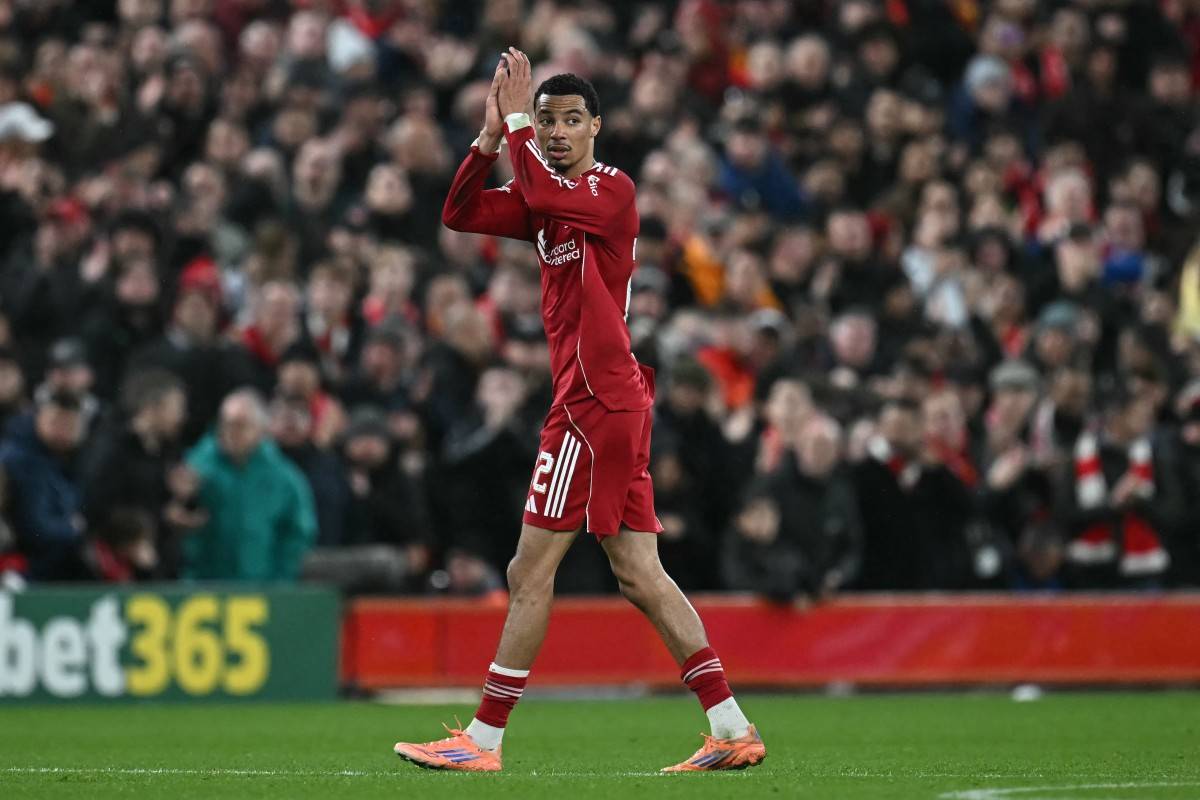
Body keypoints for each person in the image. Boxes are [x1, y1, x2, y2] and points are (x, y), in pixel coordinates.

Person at [394, 52, 765, 773]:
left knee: (528, 571)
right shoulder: (545, 199)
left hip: (591, 404)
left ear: (596, 126)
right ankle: (730, 726)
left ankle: (482, 740)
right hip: (608, 400)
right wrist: (487, 140)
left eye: (571, 120)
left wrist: (518, 120)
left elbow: (539, 187)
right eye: (549, 121)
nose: (558, 132)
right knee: (640, 574)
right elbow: (459, 212)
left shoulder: (611, 189)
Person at [182, 389, 317, 581]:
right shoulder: (196, 467)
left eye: (240, 425)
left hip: (261, 584)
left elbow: (298, 532)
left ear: (260, 429)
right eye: (226, 424)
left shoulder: (284, 477)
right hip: (203, 584)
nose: (230, 432)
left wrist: (282, 577)